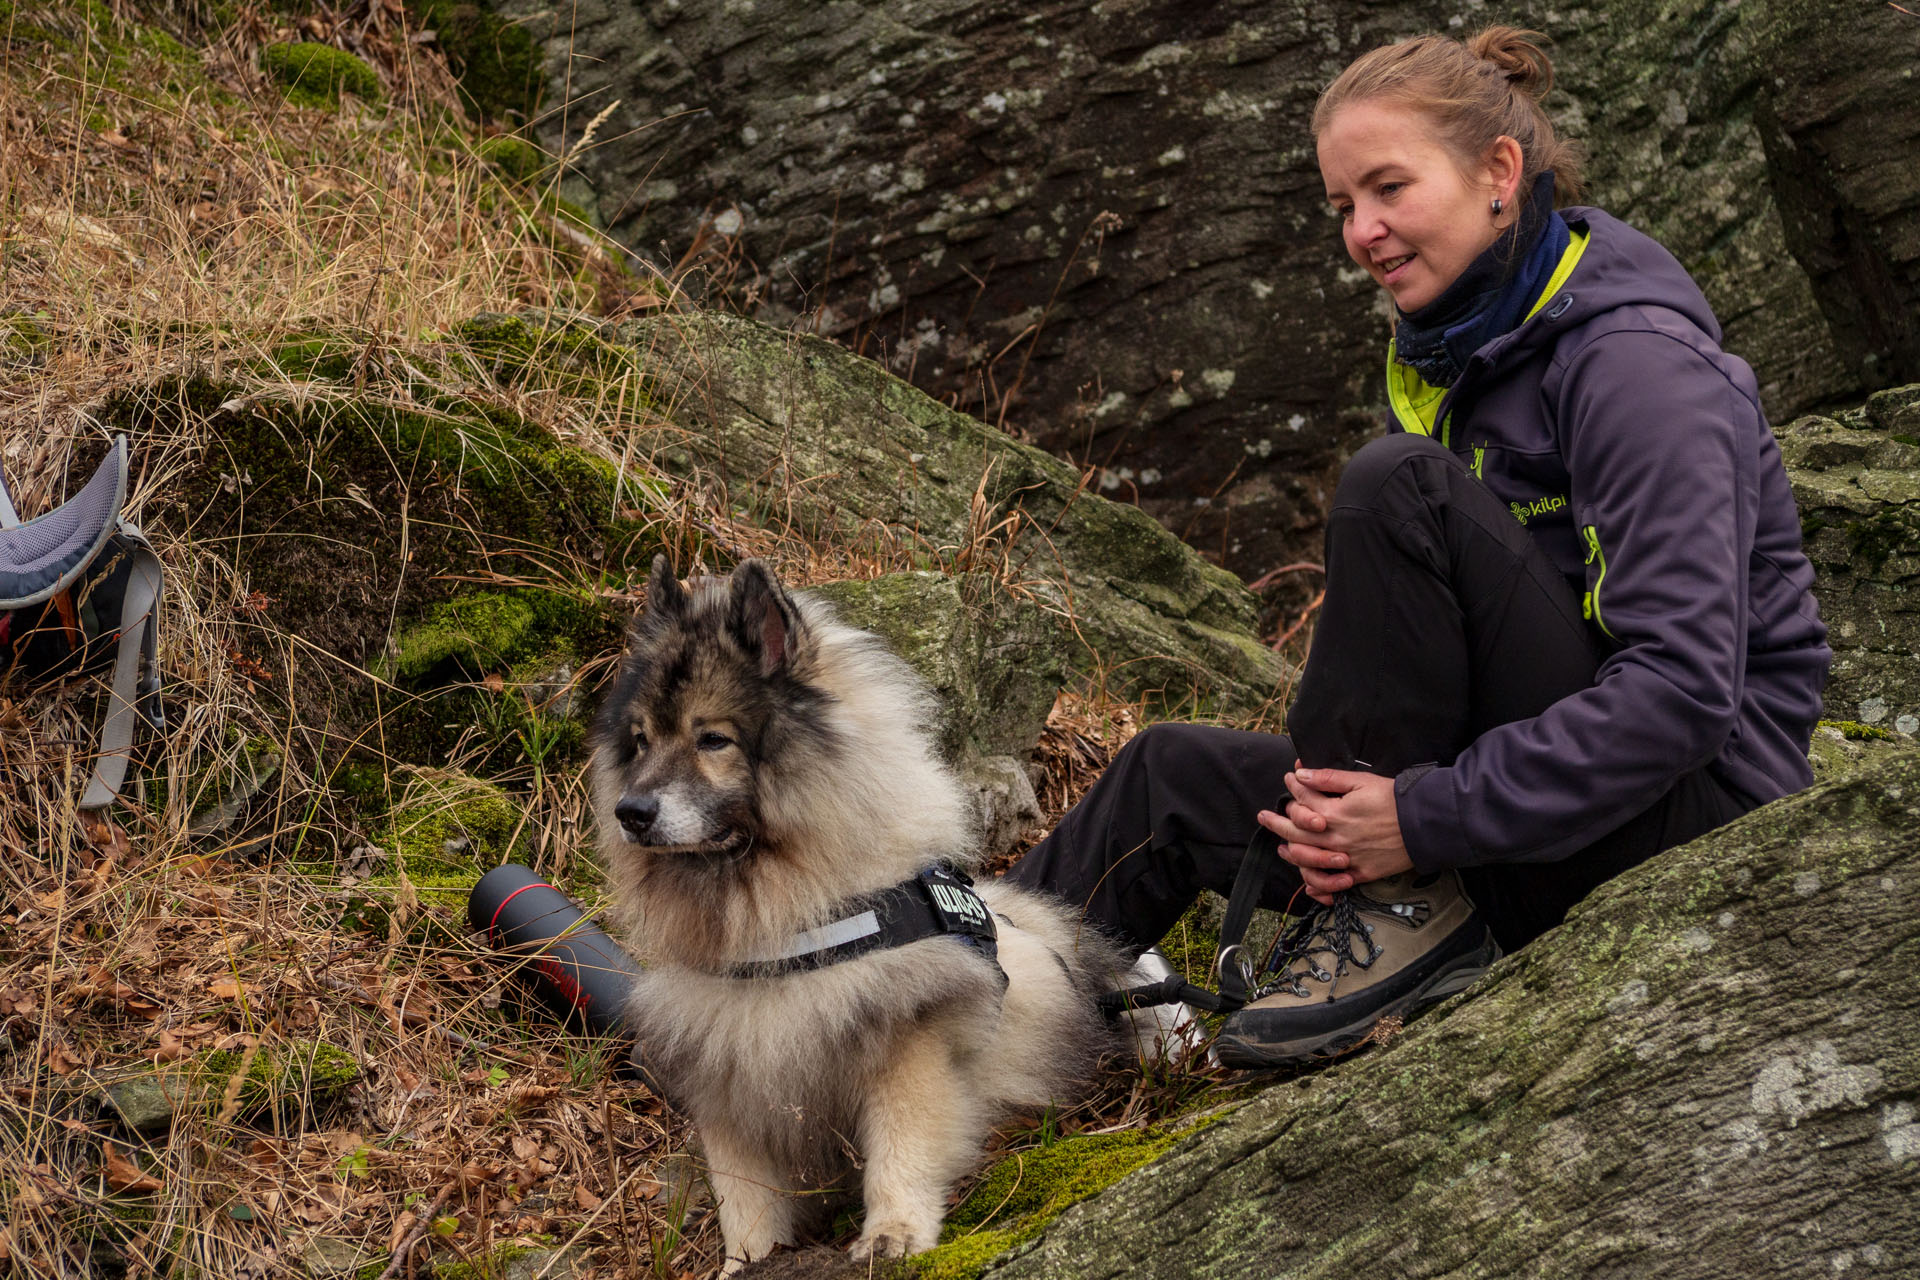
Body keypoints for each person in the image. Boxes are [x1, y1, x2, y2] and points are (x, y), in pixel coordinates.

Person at [1007, 27, 1830, 1068]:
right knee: (1167, 778)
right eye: (1345, 206)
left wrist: (1422, 818)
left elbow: (1682, 692)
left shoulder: (1636, 369)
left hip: (1694, 828)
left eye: (1388, 188)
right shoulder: (1476, 352)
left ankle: (1401, 909)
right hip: (1520, 818)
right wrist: (1380, 805)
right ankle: (946, 995)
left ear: (1499, 173)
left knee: (1397, 484)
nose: (1363, 231)